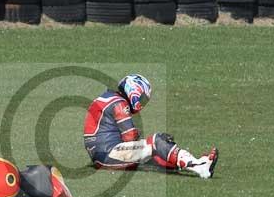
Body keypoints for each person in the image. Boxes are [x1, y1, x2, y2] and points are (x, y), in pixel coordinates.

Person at [83, 74, 218, 178]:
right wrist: (151, 141)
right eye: (141, 97)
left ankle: (198, 163)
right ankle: (199, 167)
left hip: (101, 154)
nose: (142, 102)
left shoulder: (108, 98)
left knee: (153, 150)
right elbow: (130, 137)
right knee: (157, 141)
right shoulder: (119, 103)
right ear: (133, 90)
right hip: (109, 153)